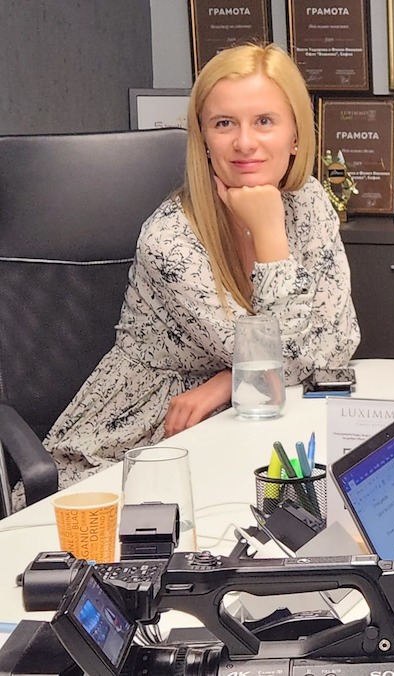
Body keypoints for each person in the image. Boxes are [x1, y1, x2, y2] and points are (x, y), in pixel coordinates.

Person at [40, 43, 359, 492]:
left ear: (295, 135)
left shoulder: (308, 202)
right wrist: (270, 236)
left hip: (248, 418)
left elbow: (338, 342)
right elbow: (274, 363)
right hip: (147, 438)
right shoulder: (168, 239)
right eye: (224, 123)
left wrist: (224, 382)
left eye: (264, 121)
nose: (244, 142)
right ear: (203, 138)